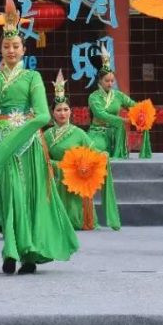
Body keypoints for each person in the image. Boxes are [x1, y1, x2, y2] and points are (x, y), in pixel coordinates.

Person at [0, 0, 79, 275]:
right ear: (0, 50)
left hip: (26, 144)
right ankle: (10, 250)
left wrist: (21, 132)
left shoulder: (31, 77)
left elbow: (43, 115)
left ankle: (28, 253)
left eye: (16, 46)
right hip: (1, 144)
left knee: (27, 196)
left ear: (24, 50)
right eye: (6, 46)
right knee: (9, 196)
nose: (11, 50)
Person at [45, 71, 120, 231]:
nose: (63, 113)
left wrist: (103, 155)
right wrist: (58, 165)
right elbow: (42, 158)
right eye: (58, 110)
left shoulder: (79, 133)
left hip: (75, 180)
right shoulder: (46, 135)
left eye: (66, 109)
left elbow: (93, 152)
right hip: (55, 179)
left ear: (71, 111)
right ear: (52, 113)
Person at [87, 45, 134, 159]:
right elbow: (101, 114)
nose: (110, 84)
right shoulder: (94, 97)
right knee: (97, 151)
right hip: (98, 132)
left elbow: (133, 105)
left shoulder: (118, 95)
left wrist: (141, 113)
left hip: (115, 133)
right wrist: (123, 120)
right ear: (100, 80)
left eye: (112, 81)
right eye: (107, 81)